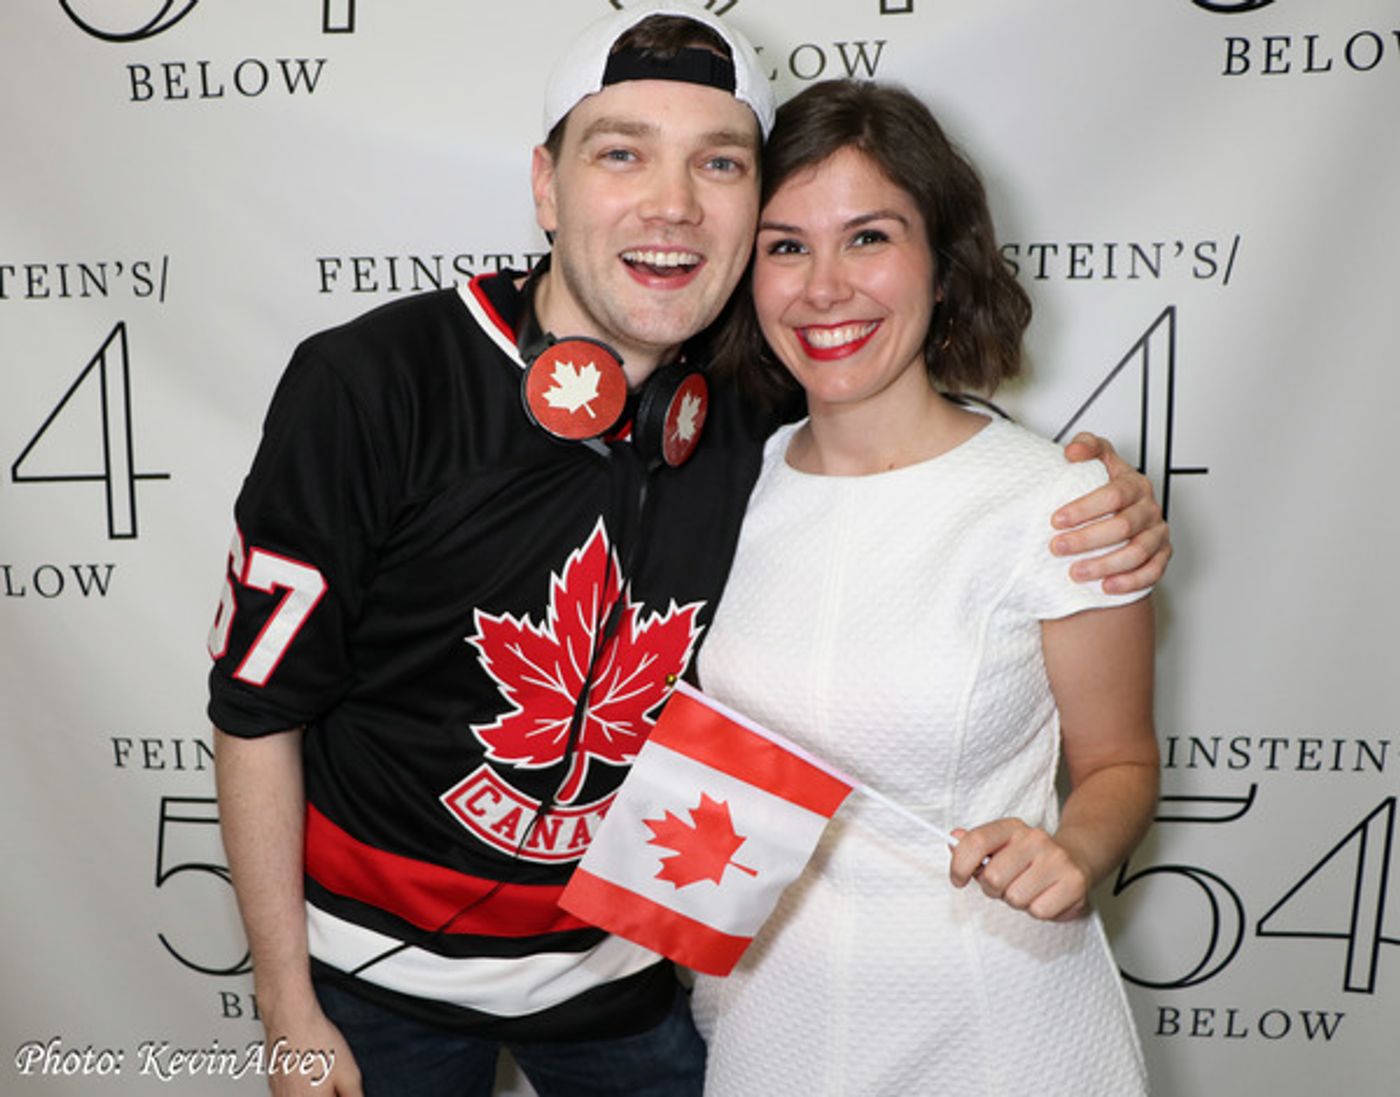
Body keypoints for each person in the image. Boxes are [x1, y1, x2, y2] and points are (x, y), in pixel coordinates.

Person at [208, 6, 1166, 1095]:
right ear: (545, 186)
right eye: (621, 152)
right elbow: (255, 710)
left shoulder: (754, 408)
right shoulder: (369, 382)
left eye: (716, 164)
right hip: (372, 985)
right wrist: (284, 1004)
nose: (671, 204)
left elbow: (904, 449)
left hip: (636, 973)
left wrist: (1089, 492)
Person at [690, 79, 1159, 1097]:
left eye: (867, 237)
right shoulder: (721, 482)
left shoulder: (1061, 502)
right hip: (765, 1020)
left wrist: (1073, 848)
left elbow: (1118, 758)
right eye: (783, 244)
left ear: (942, 264)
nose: (823, 287)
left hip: (997, 1027)